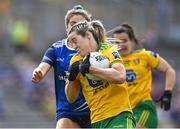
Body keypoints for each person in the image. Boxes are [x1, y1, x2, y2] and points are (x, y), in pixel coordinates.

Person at [65, 20, 136, 128]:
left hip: (119, 115)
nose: (74, 46)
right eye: (71, 43)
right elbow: (71, 98)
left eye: (75, 41)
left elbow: (120, 76)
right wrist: (72, 78)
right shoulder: (75, 60)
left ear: (88, 35)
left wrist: (91, 69)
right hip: (97, 121)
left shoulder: (108, 50)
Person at [31, 5, 92, 128]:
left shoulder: (95, 49)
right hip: (67, 112)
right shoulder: (56, 49)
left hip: (95, 111)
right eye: (73, 23)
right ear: (67, 26)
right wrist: (39, 73)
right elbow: (43, 66)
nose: (75, 26)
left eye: (81, 24)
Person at [111, 24, 176, 128]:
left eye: (124, 41)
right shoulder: (111, 62)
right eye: (117, 42)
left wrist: (168, 92)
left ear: (132, 41)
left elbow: (169, 70)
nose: (121, 45)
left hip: (143, 108)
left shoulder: (145, 56)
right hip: (123, 112)